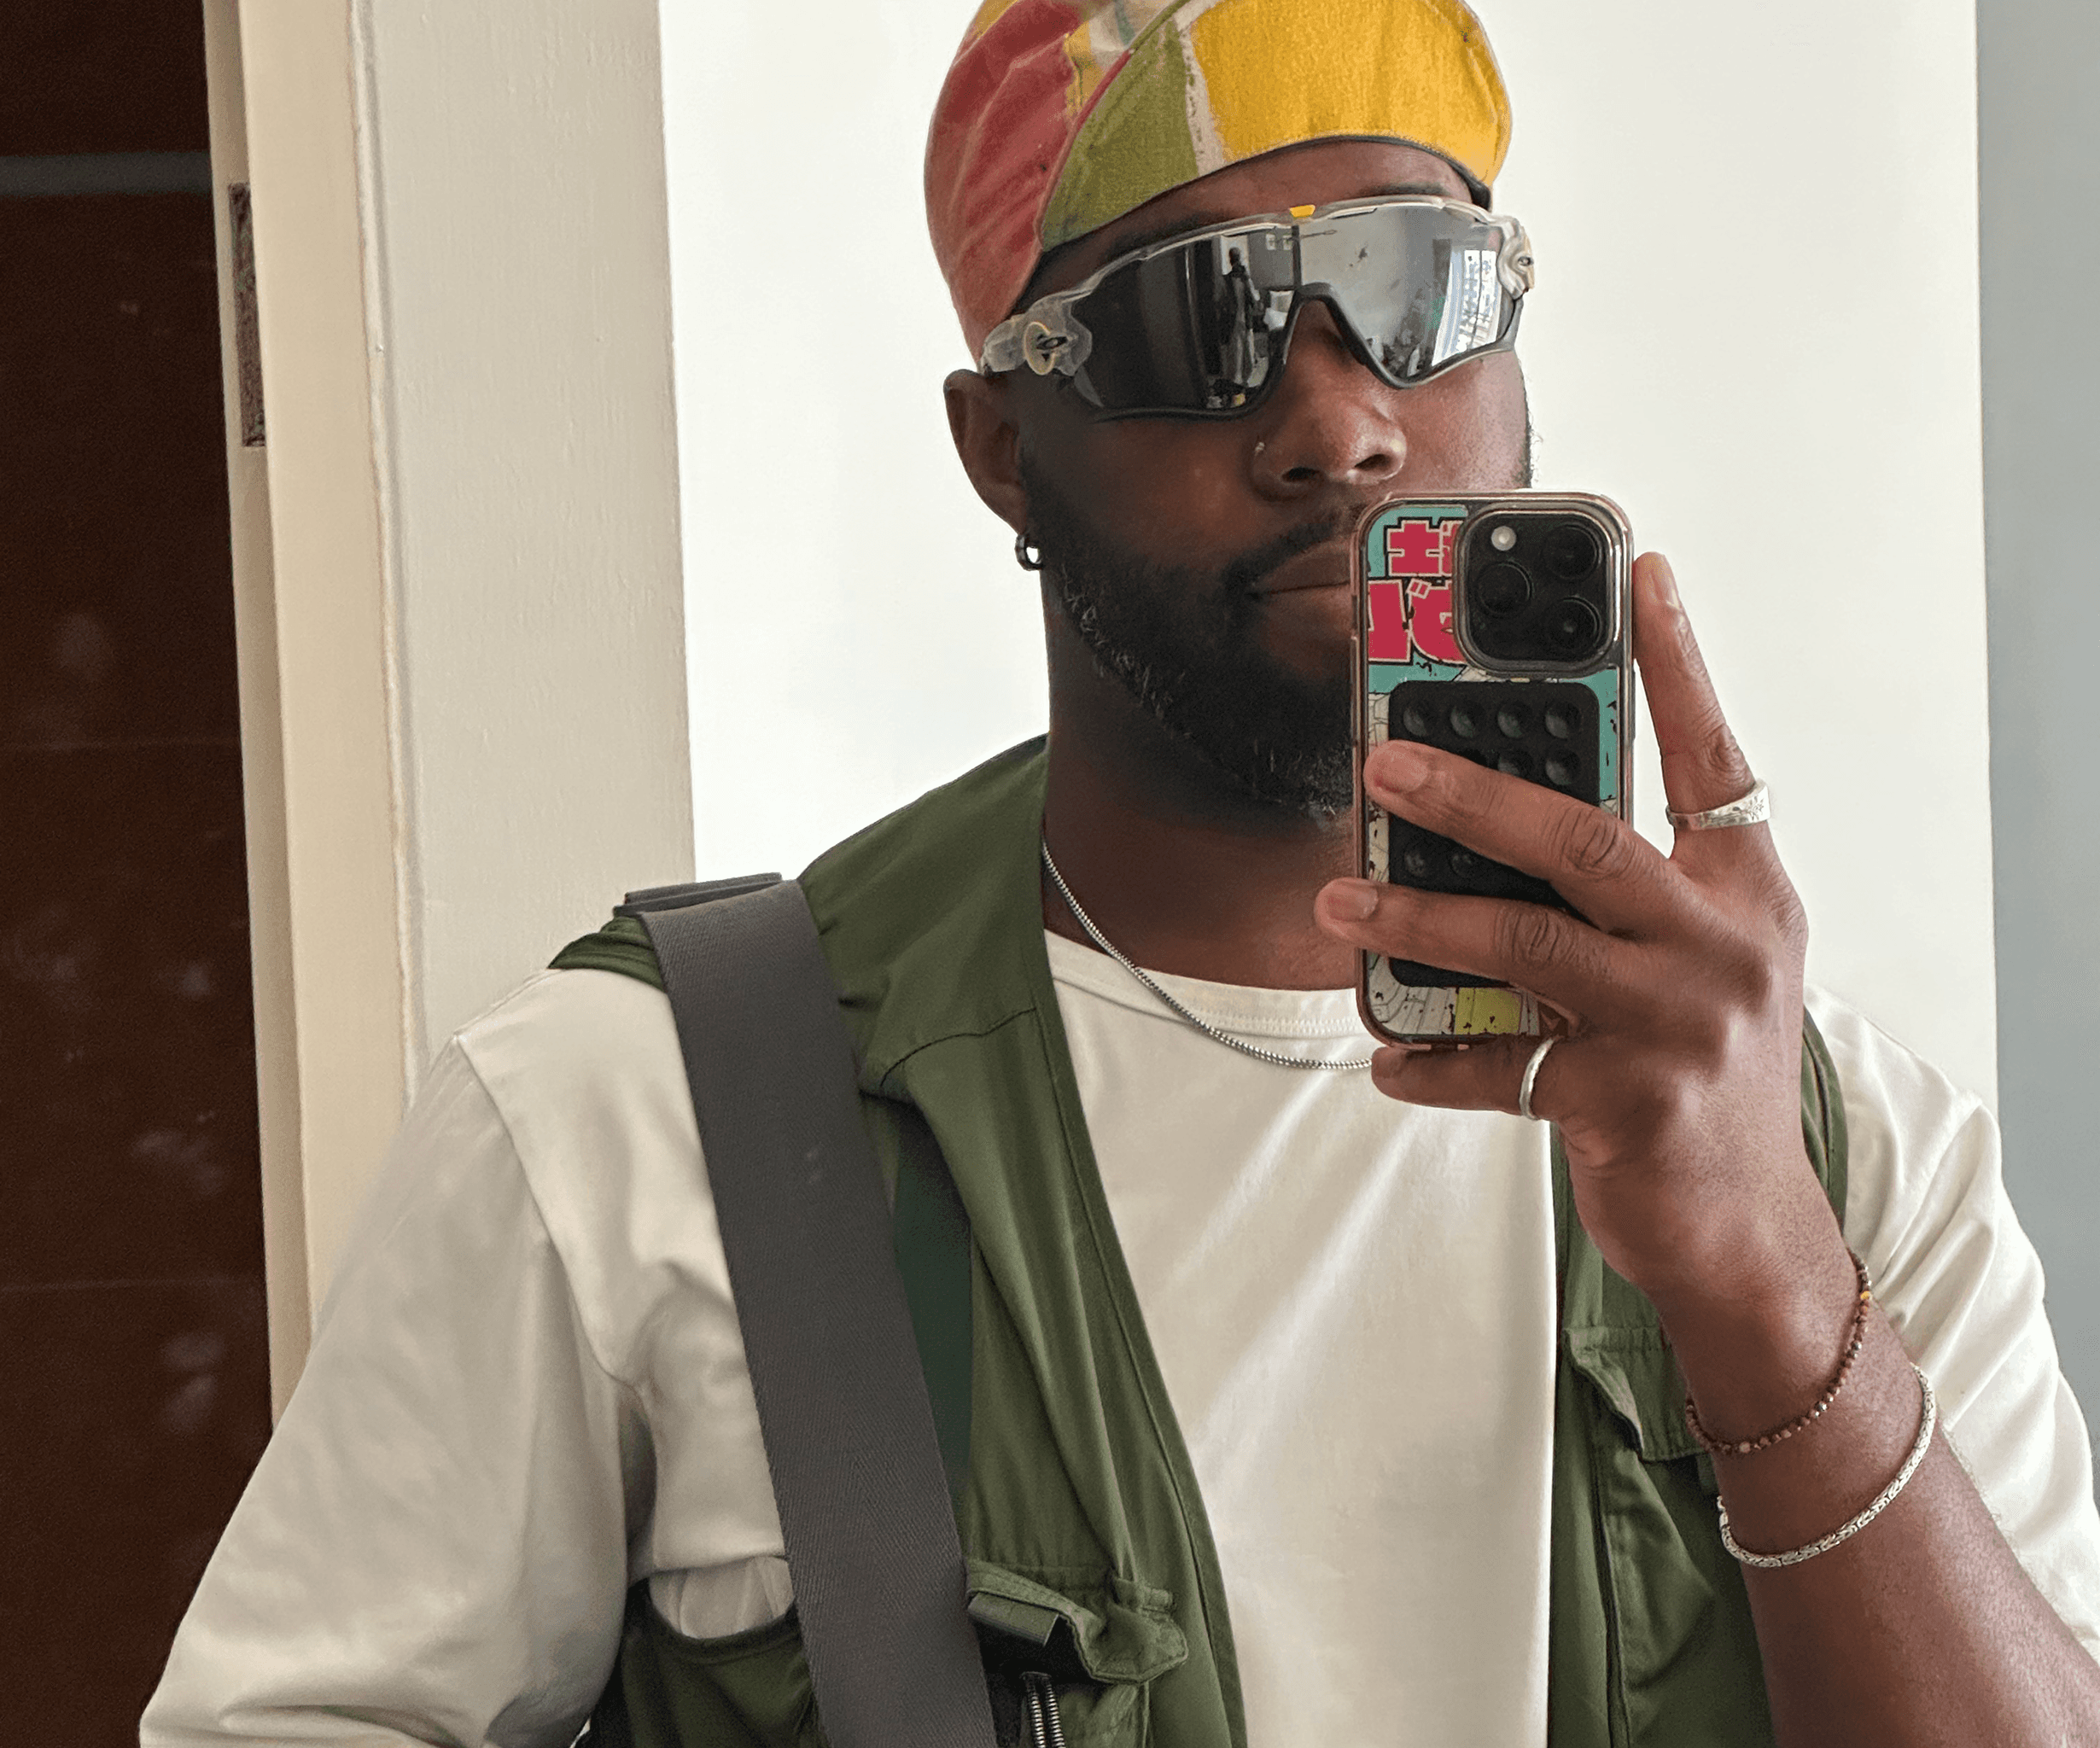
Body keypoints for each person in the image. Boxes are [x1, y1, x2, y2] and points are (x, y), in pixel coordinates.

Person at [145, 1, 2100, 1743]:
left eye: (1417, 288)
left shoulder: (1845, 1145)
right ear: (1003, 447)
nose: (1339, 422)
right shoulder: (644, 1115)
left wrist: (1769, 1276)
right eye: (1198, 320)